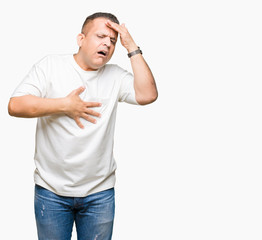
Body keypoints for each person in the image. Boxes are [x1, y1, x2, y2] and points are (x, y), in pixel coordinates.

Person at [8, 12, 157, 240]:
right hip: (51, 191)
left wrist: (132, 46)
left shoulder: (115, 76)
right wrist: (64, 105)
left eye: (113, 41)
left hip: (99, 193)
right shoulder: (51, 66)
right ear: (81, 39)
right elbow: (15, 105)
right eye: (100, 36)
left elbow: (148, 94)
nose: (107, 43)